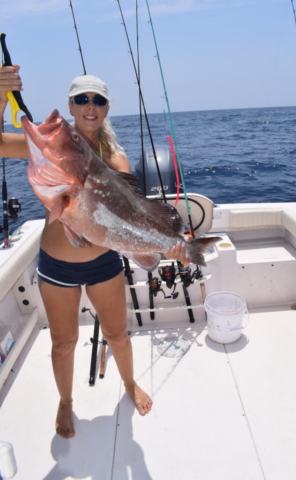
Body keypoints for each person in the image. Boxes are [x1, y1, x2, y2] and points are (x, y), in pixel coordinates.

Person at [0, 67, 191, 439]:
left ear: (106, 108)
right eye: (81, 99)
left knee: (118, 336)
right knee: (63, 342)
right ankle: (66, 401)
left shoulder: (116, 160)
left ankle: (130, 384)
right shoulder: (48, 145)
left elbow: (132, 218)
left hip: (104, 264)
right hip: (56, 267)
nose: (90, 106)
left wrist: (171, 246)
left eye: (98, 100)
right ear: (71, 105)